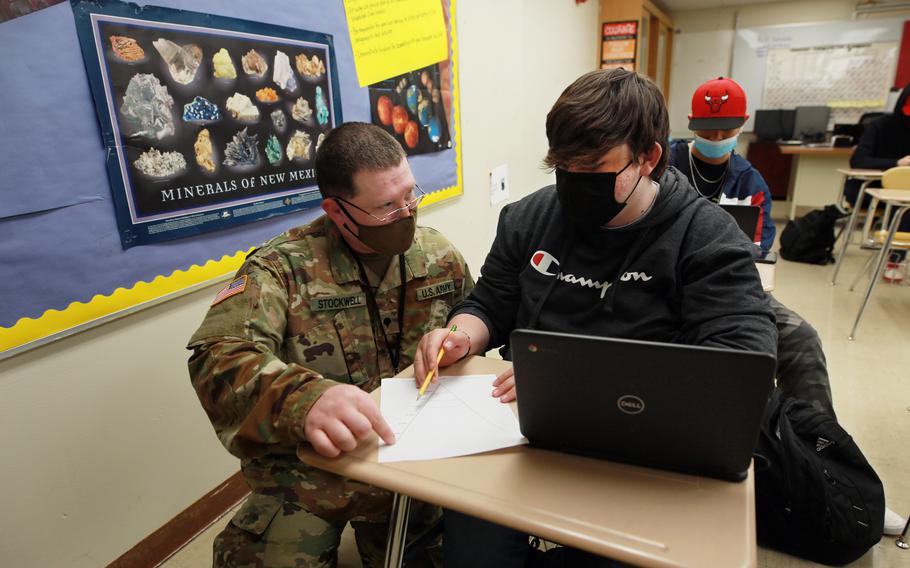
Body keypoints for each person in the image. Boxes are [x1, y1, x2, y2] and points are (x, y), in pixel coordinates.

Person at [414, 69, 777, 568]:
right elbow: (490, 302)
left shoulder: (705, 236)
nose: (574, 182)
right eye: (562, 165)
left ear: (649, 158)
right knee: (473, 539)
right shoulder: (528, 218)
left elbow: (741, 362)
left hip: (642, 440)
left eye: (594, 167)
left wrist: (572, 380)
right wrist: (460, 335)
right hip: (518, 430)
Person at [186, 122, 474, 567]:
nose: (406, 214)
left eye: (410, 197)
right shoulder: (282, 268)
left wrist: (458, 341)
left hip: (414, 458)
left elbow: (468, 320)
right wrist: (306, 400)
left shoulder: (436, 254)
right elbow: (216, 357)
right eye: (385, 207)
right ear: (337, 211)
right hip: (316, 464)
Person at [668, 76, 835, 417]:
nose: (715, 139)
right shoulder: (665, 165)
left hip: (730, 284)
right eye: (707, 131)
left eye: (725, 132)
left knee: (803, 338)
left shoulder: (750, 182)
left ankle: (813, 443)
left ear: (743, 125)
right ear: (691, 124)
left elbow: (757, 249)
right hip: (664, 277)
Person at [844, 84, 910, 281]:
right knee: (904, 209)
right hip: (870, 190)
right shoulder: (880, 126)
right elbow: (859, 160)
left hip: (903, 194)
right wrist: (896, 164)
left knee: (905, 205)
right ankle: (895, 260)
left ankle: (896, 257)